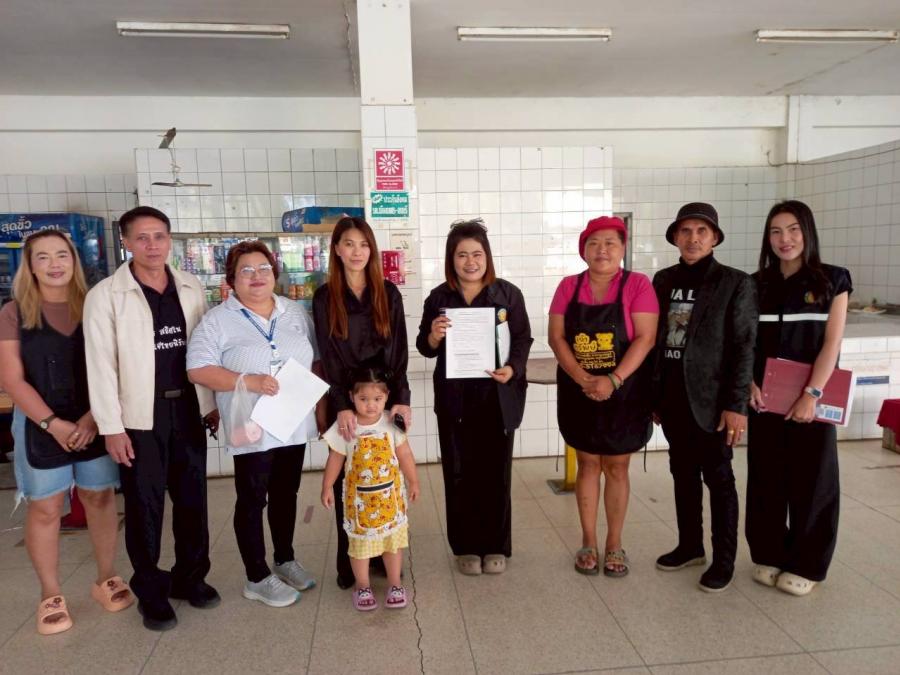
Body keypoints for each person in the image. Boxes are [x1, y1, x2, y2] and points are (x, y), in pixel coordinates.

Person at [83, 206, 220, 631]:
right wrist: (111, 427)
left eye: (159, 236)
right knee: (145, 507)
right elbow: (100, 367)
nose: (152, 245)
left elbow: (205, 349)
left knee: (193, 499)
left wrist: (211, 402)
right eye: (141, 237)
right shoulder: (106, 295)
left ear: (170, 240)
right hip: (140, 416)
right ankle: (151, 591)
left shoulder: (190, 286)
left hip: (189, 408)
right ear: (126, 242)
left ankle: (190, 577)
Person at [0, 230, 133, 635]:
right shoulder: (13, 312)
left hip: (93, 419)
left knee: (99, 497)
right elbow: (12, 379)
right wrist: (52, 423)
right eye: (43, 257)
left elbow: (116, 366)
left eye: (62, 255)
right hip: (39, 422)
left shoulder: (95, 304)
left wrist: (93, 419)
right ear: (29, 265)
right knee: (46, 507)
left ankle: (106, 577)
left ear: (75, 261)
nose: (54, 264)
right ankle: (50, 594)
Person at [188, 240, 324, 607]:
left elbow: (315, 359)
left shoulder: (294, 312)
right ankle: (257, 576)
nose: (256, 276)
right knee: (252, 497)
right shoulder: (218, 320)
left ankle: (285, 559)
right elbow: (197, 368)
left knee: (286, 493)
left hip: (292, 421)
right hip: (249, 426)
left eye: (263, 268)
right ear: (231, 280)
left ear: (274, 274)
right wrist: (247, 380)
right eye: (246, 270)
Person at [746, 200, 851, 596]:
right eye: (776, 231)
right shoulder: (756, 285)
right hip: (764, 400)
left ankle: (807, 563)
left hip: (813, 399)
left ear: (807, 232)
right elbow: (745, 343)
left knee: (813, 480)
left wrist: (811, 394)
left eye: (793, 230)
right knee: (766, 478)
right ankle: (770, 553)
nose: (784, 239)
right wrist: (748, 383)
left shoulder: (833, 281)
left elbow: (831, 344)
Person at [417, 219, 533, 575]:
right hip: (455, 400)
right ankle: (465, 546)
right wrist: (434, 336)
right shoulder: (439, 298)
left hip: (496, 398)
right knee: (458, 473)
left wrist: (512, 368)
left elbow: (523, 339)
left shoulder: (507, 294)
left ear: (487, 256)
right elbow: (424, 346)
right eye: (462, 254)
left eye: (477, 254)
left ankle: (496, 545)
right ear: (451, 259)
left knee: (496, 474)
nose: (470, 262)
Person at [652, 202, 757, 592]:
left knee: (719, 478)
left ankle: (723, 560)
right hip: (672, 397)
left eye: (701, 231)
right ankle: (690, 546)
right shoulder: (663, 280)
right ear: (675, 237)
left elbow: (745, 347)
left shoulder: (735, 283)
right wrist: (653, 396)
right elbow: (653, 340)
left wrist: (736, 405)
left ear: (714, 238)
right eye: (685, 231)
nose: (693, 238)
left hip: (713, 401)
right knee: (682, 473)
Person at [548, 216, 658, 578]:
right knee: (588, 464)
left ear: (623, 247)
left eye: (610, 242)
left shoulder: (638, 285)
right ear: (583, 250)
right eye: (594, 243)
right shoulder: (568, 286)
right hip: (579, 391)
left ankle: (614, 543)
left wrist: (613, 379)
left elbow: (646, 338)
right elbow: (556, 338)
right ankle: (588, 540)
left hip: (625, 392)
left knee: (617, 467)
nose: (602, 250)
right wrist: (584, 379)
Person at [312, 216, 411, 589]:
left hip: (381, 400)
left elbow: (398, 352)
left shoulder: (388, 293)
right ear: (337, 249)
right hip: (347, 400)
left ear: (372, 249)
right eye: (349, 244)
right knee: (349, 484)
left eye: (364, 244)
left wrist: (400, 400)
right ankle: (351, 563)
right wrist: (342, 404)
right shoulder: (325, 297)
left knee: (385, 479)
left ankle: (386, 556)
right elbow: (329, 355)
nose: (357, 252)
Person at [320, 366, 420, 611]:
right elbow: (335, 458)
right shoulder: (346, 425)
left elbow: (405, 454)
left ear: (387, 397)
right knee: (360, 547)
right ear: (352, 397)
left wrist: (414, 481)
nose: (371, 405)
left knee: (392, 544)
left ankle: (395, 583)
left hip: (390, 500)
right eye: (363, 399)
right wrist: (327, 486)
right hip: (359, 504)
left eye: (377, 399)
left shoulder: (392, 422)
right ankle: (362, 585)